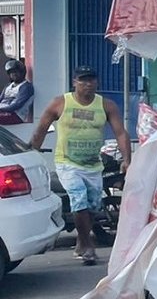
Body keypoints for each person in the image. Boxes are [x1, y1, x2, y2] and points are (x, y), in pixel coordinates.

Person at [29, 65, 132, 266]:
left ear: (97, 82)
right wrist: (32, 155)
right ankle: (87, 246)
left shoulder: (106, 105)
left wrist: (128, 159)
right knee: (79, 198)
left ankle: (80, 241)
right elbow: (41, 129)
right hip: (67, 163)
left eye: (92, 80)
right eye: (83, 80)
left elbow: (120, 133)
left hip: (93, 164)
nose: (88, 84)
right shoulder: (60, 103)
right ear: (74, 82)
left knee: (93, 206)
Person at [0, 59, 34, 124]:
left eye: (16, 72)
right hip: (4, 112)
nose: (14, 74)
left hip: (16, 115)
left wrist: (1, 109)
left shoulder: (26, 87)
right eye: (11, 72)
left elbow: (16, 105)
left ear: (22, 72)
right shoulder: (8, 86)